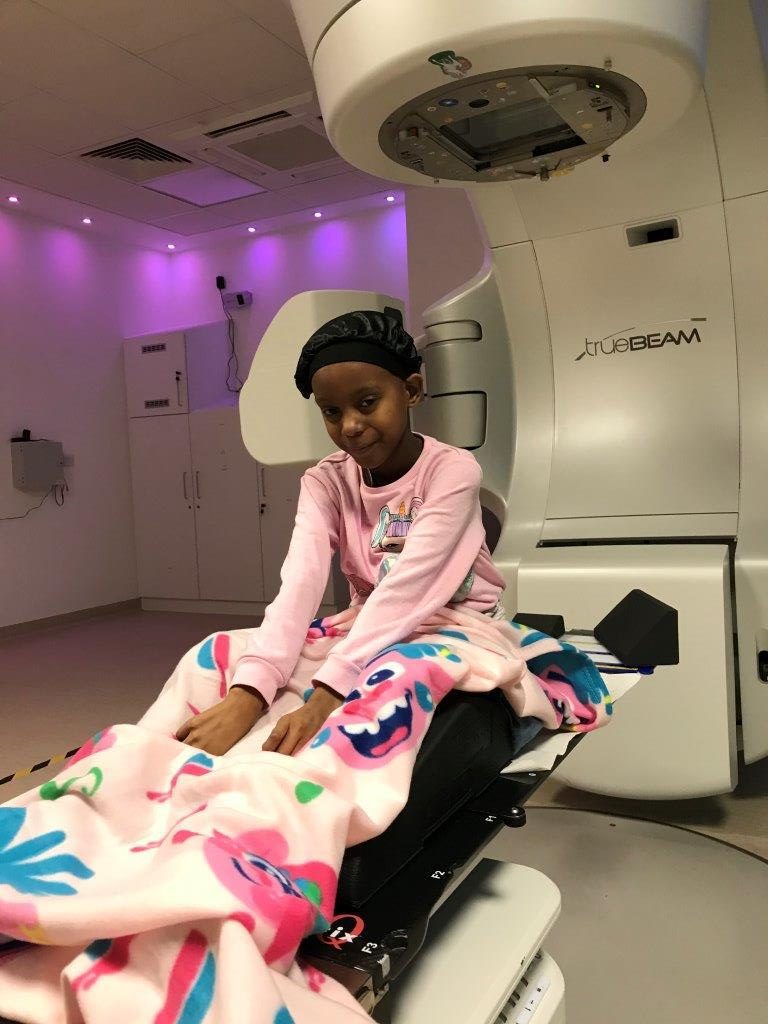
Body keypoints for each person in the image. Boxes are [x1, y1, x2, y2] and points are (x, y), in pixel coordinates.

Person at [174, 307, 507, 758]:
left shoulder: (453, 471)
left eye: (367, 402)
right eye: (332, 411)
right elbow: (301, 582)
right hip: (366, 623)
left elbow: (409, 586)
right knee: (219, 653)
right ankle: (156, 762)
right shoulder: (325, 481)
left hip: (456, 624)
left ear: (411, 390)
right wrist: (249, 692)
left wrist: (327, 695)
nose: (349, 425)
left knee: (390, 681)